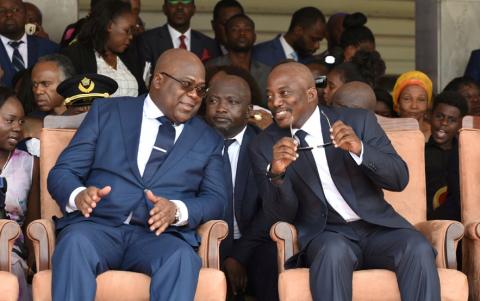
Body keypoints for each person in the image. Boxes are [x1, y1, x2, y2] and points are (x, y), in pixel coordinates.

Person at [249, 61, 440, 301]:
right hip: (327, 233)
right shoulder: (264, 145)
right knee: (333, 252)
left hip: (377, 228)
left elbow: (399, 178)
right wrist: (277, 174)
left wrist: (360, 150)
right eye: (270, 95)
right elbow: (279, 214)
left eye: (284, 93)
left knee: (417, 247)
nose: (274, 102)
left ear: (310, 94)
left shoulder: (357, 121)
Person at [48, 48, 226, 301]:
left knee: (181, 258)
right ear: (158, 80)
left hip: (158, 238)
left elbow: (216, 199)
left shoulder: (208, 139)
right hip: (97, 228)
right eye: (186, 85)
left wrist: (177, 210)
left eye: (200, 89)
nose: (194, 95)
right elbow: (64, 171)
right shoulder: (107, 112)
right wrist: (78, 195)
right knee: (73, 244)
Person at [204, 66, 277, 301]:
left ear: (248, 112)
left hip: (254, 239)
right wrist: (223, 254)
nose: (221, 108)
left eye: (232, 101)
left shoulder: (264, 145)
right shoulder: (192, 141)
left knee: (272, 262)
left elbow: (270, 208)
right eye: (213, 100)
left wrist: (238, 256)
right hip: (207, 239)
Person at [0, 87, 39, 301]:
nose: (17, 128)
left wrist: (34, 259)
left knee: (11, 264)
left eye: (21, 122)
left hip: (11, 248)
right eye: (10, 121)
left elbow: (33, 221)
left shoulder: (30, 164)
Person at [62, 0, 146, 97]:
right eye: (127, 30)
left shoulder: (130, 55)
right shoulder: (76, 55)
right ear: (109, 26)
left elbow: (143, 93)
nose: (131, 36)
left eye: (133, 31)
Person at [206, 13, 271, 108]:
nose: (242, 34)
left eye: (247, 29)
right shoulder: (212, 67)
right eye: (235, 30)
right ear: (226, 36)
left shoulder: (266, 71)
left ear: (254, 36)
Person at [425, 91, 468, 221]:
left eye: (452, 119)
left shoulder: (466, 155)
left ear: (460, 124)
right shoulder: (420, 153)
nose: (444, 123)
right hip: (427, 221)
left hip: (462, 220)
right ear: (430, 116)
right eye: (439, 116)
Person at [140, 0, 220, 65]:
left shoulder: (209, 44)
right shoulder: (147, 41)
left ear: (194, 9)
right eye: (173, 1)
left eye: (186, 1)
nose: (180, 7)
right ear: (164, 9)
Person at [0, 0, 58, 87]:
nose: (9, 14)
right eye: (1, 11)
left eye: (16, 10)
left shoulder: (50, 48)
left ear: (26, 15)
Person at [253, 7, 326, 67]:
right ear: (298, 30)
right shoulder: (259, 53)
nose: (317, 46)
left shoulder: (312, 61)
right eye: (313, 39)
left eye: (319, 40)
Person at [392, 70, 433, 141]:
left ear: (428, 105)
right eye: (407, 99)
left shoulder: (435, 134)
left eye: (421, 99)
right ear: (397, 104)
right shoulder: (387, 134)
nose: (414, 106)